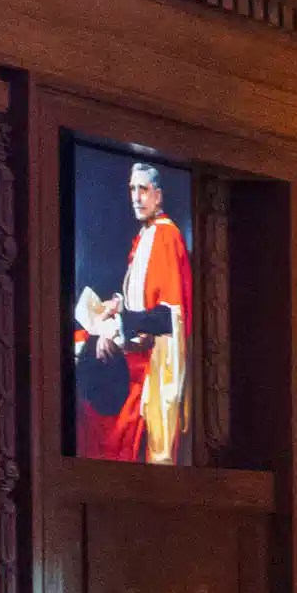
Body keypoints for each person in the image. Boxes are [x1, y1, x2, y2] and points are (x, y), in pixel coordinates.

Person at [75, 156, 193, 465]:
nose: (136, 198)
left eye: (143, 189)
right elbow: (142, 297)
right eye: (132, 189)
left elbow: (169, 316)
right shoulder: (145, 234)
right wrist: (117, 304)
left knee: (98, 419)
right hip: (136, 349)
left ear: (159, 195)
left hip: (151, 365)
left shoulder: (167, 236)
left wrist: (118, 326)